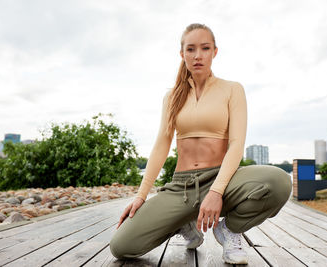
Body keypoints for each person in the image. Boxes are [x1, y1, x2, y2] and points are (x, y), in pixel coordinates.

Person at [109, 23, 292, 265]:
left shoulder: (232, 90)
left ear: (215, 52)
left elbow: (237, 144)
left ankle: (229, 231)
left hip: (222, 180)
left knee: (279, 182)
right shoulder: (172, 96)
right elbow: (161, 147)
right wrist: (141, 196)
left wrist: (216, 191)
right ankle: (183, 222)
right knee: (121, 245)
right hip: (182, 188)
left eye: (205, 48)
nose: (198, 55)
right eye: (191, 49)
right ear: (182, 54)